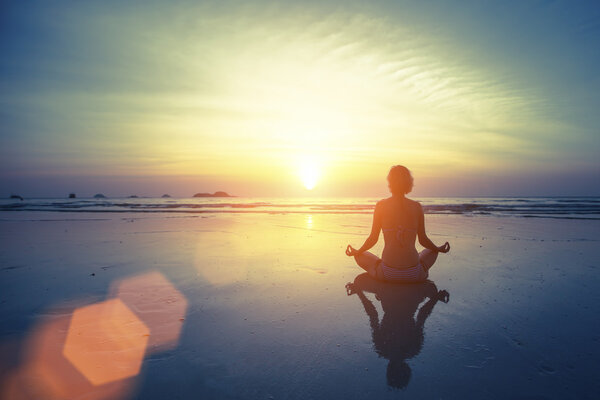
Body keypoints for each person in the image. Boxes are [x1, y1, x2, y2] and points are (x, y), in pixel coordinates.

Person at [345, 165, 450, 283]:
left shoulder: (381, 206)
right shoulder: (416, 206)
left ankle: (377, 267)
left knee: (360, 255)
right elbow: (423, 240)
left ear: (390, 182)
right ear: (409, 183)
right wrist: (438, 249)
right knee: (432, 251)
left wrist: (357, 252)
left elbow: (373, 239)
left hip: (387, 273)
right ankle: (422, 268)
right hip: (414, 274)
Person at [345, 273, 449, 389]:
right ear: (389, 368)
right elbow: (373, 314)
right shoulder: (382, 348)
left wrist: (435, 298)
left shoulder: (413, 349)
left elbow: (422, 315)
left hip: (410, 292)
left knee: (431, 288)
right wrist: (359, 291)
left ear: (406, 369)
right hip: (388, 291)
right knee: (360, 281)